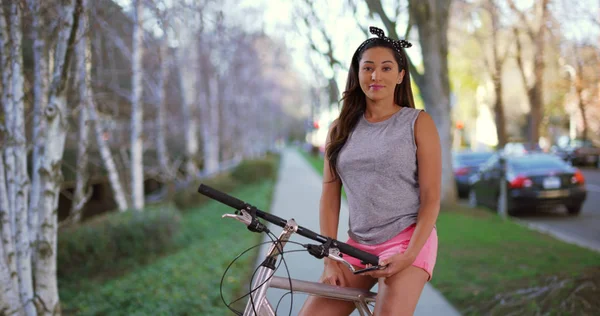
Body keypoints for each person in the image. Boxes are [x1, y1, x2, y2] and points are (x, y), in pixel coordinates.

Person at [298, 26, 441, 316]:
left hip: (407, 240)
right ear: (358, 73)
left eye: (386, 68)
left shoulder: (417, 123)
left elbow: (431, 198)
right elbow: (329, 195)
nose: (376, 76)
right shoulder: (340, 129)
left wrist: (409, 255)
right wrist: (331, 257)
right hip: (357, 246)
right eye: (369, 68)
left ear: (400, 75)